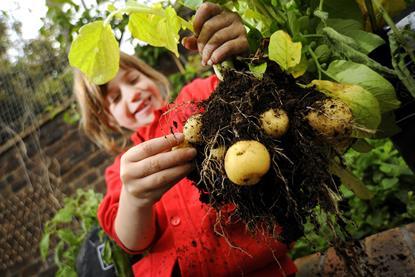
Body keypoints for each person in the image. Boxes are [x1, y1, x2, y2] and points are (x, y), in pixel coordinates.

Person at [73, 2, 297, 276]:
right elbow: (132, 242)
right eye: (116, 99)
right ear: (109, 120)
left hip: (259, 267)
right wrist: (135, 198)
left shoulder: (198, 97)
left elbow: (251, 96)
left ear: (152, 77)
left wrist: (245, 50)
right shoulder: (122, 170)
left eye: (133, 79)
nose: (132, 94)